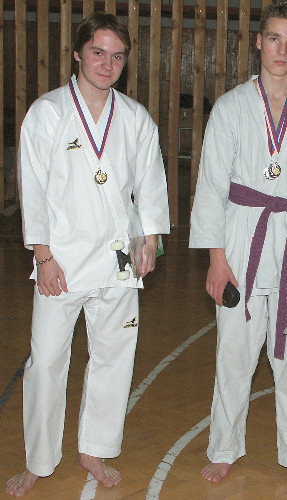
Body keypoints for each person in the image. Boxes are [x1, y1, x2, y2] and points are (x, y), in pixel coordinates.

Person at [6, 12, 170, 497]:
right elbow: (32, 188)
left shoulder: (135, 117)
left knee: (114, 358)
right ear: (78, 54)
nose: (107, 63)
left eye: (117, 56)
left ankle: (93, 448)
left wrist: (150, 240)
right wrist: (42, 255)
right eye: (98, 52)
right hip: (60, 261)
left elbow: (150, 185)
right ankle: (39, 459)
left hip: (118, 260)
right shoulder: (48, 113)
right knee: (47, 361)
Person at [189, 1, 287, 487]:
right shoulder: (231, 107)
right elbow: (211, 187)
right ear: (259, 42)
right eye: (274, 38)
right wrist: (217, 261)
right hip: (242, 237)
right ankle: (224, 447)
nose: (282, 49)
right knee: (234, 352)